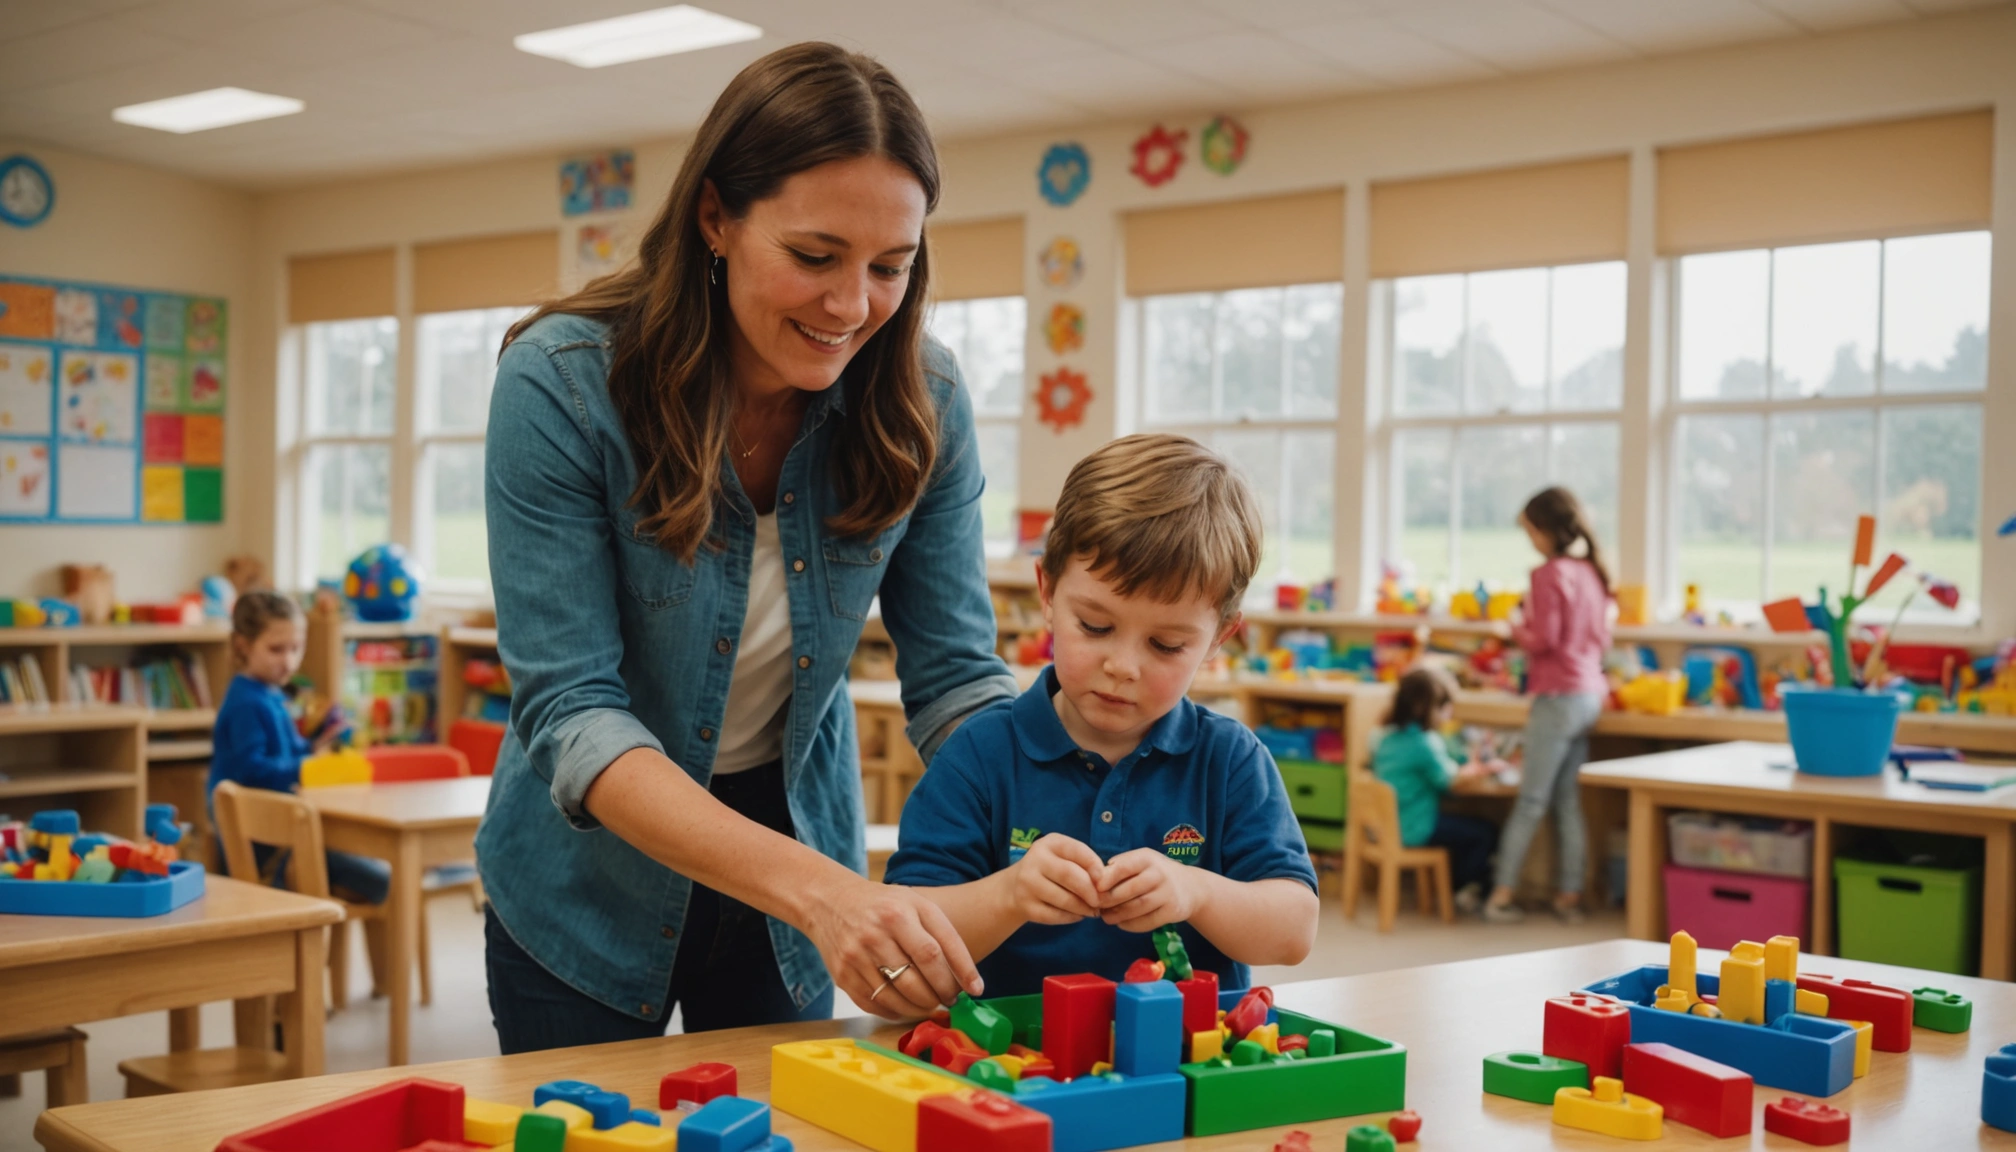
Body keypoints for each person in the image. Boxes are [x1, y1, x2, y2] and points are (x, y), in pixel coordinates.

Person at [477, 42, 1019, 1051]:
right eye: (815, 257)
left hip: (789, 872)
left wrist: (1063, 803)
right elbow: (572, 711)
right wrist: (826, 893)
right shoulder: (560, 383)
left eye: (890, 266)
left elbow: (956, 678)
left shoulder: (925, 401)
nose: (853, 305)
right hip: (582, 886)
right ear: (716, 218)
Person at [886, 434, 1319, 996]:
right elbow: (908, 925)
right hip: (1014, 1068)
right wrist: (1009, 894)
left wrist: (1198, 892)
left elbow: (1294, 931)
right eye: (1094, 626)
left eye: (1165, 645)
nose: (1123, 666)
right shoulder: (980, 754)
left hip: (1183, 1066)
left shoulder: (1230, 761)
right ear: (1047, 591)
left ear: (1219, 640)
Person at [1483, 487, 1614, 924]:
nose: (1530, 540)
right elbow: (1599, 639)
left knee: (1531, 800)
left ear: (1545, 530)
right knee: (1566, 802)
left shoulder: (1547, 574)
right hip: (1590, 696)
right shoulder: (1592, 571)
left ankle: (1500, 895)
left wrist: (1512, 626)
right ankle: (1569, 895)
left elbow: (1545, 639)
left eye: (1530, 531)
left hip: (1557, 698)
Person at [209, 591, 391, 904]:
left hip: (283, 832)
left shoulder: (269, 694)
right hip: (264, 844)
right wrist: (308, 766)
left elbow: (287, 756)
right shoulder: (246, 702)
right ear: (242, 646)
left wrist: (316, 745)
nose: (289, 661)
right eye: (276, 649)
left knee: (381, 873)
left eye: (296, 648)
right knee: (385, 879)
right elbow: (253, 771)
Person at [1370, 665, 1500, 912]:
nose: (1449, 715)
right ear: (1432, 709)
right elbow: (1449, 781)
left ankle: (1461, 887)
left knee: (1464, 828)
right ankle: (1463, 889)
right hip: (1415, 827)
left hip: (1388, 825)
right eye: (1446, 708)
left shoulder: (1385, 737)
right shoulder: (1424, 743)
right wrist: (1480, 770)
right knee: (1484, 832)